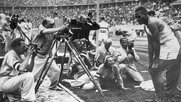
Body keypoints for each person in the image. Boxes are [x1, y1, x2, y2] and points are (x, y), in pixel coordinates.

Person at [135, 7, 180, 102]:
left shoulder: (152, 22)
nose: (137, 19)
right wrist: (150, 62)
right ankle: (161, 96)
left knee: (159, 71)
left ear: (146, 15)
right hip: (165, 46)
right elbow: (150, 45)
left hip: (170, 46)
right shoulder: (146, 26)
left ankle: (163, 97)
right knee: (153, 70)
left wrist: (155, 61)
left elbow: (156, 43)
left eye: (139, 16)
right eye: (136, 17)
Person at [32, 17, 68, 91]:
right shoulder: (41, 28)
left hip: (47, 56)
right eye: (51, 24)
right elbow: (45, 32)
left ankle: (53, 86)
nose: (52, 25)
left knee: (56, 71)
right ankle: (25, 88)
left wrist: (63, 30)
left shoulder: (51, 31)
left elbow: (56, 35)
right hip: (38, 56)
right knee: (34, 76)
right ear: (45, 24)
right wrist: (60, 28)